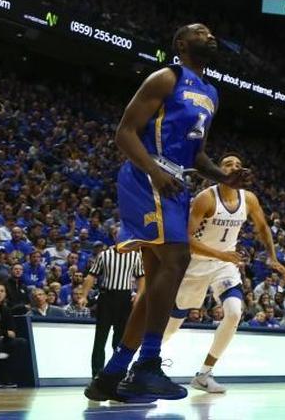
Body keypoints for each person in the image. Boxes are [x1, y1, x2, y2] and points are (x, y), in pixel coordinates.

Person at [84, 23, 250, 403]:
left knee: (156, 283)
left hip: (175, 180)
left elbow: (197, 156)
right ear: (180, 43)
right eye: (201, 31)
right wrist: (155, 171)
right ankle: (148, 364)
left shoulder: (211, 93)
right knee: (178, 258)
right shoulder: (165, 77)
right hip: (148, 175)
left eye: (212, 32)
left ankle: (111, 376)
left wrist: (224, 175)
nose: (210, 35)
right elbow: (124, 132)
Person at [162, 153, 285, 394]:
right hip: (196, 263)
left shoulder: (249, 199)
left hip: (224, 264)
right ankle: (143, 363)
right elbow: (186, 239)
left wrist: (273, 257)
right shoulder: (205, 198)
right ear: (218, 171)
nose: (234, 167)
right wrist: (222, 255)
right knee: (173, 325)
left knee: (234, 313)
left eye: (238, 164)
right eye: (228, 164)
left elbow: (262, 227)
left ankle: (204, 374)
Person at [83, 243, 144, 378]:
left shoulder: (135, 256)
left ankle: (117, 372)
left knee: (120, 339)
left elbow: (141, 277)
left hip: (125, 298)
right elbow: (92, 275)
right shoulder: (104, 255)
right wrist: (83, 295)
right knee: (100, 338)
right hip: (106, 297)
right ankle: (97, 374)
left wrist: (139, 294)